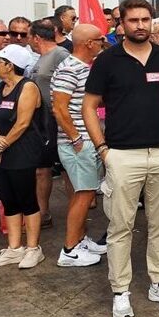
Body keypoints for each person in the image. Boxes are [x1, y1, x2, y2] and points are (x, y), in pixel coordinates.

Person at [83, 0, 159, 317]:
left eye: (145, 20)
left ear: (151, 21)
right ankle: (121, 291)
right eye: (133, 20)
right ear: (121, 24)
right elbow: (89, 105)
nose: (140, 25)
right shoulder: (107, 60)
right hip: (122, 155)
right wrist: (103, 150)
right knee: (120, 227)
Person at [51, 24, 108, 267]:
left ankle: (80, 239)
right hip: (78, 143)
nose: (103, 42)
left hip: (84, 141)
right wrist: (76, 139)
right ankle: (70, 250)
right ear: (88, 43)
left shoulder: (83, 67)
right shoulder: (69, 69)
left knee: (81, 194)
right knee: (83, 195)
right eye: (100, 39)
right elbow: (59, 108)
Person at [0, 44, 46, 269]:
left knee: (27, 199)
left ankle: (34, 248)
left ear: (10, 65)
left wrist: (0, 147)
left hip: (22, 150)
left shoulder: (28, 87)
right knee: (9, 199)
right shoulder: (0, 87)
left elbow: (22, 122)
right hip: (1, 152)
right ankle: (14, 248)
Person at [28, 18, 70, 229]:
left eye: (28, 35)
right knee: (41, 169)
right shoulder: (40, 58)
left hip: (58, 118)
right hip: (41, 121)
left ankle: (76, 213)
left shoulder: (60, 54)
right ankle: (43, 213)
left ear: (36, 38)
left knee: (66, 168)